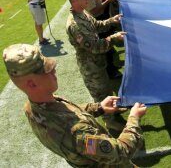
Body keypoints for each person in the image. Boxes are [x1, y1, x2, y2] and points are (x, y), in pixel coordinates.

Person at [2, 43, 146, 167]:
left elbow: (69, 112)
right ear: (32, 83)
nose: (53, 69)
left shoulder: (34, 106)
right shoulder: (78, 134)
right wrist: (134, 119)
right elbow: (120, 152)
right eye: (46, 70)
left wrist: (99, 107)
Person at [65, 0, 126, 130]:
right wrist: (114, 38)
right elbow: (95, 47)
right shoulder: (75, 25)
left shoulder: (82, 13)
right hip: (91, 67)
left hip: (97, 64)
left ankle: (113, 110)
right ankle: (109, 120)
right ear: (74, 0)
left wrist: (112, 20)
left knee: (106, 89)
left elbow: (97, 25)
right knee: (100, 95)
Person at [74, 0, 122, 79]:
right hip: (98, 19)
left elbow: (99, 0)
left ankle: (112, 67)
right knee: (106, 48)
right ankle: (111, 71)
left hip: (102, 18)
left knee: (109, 46)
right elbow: (95, 10)